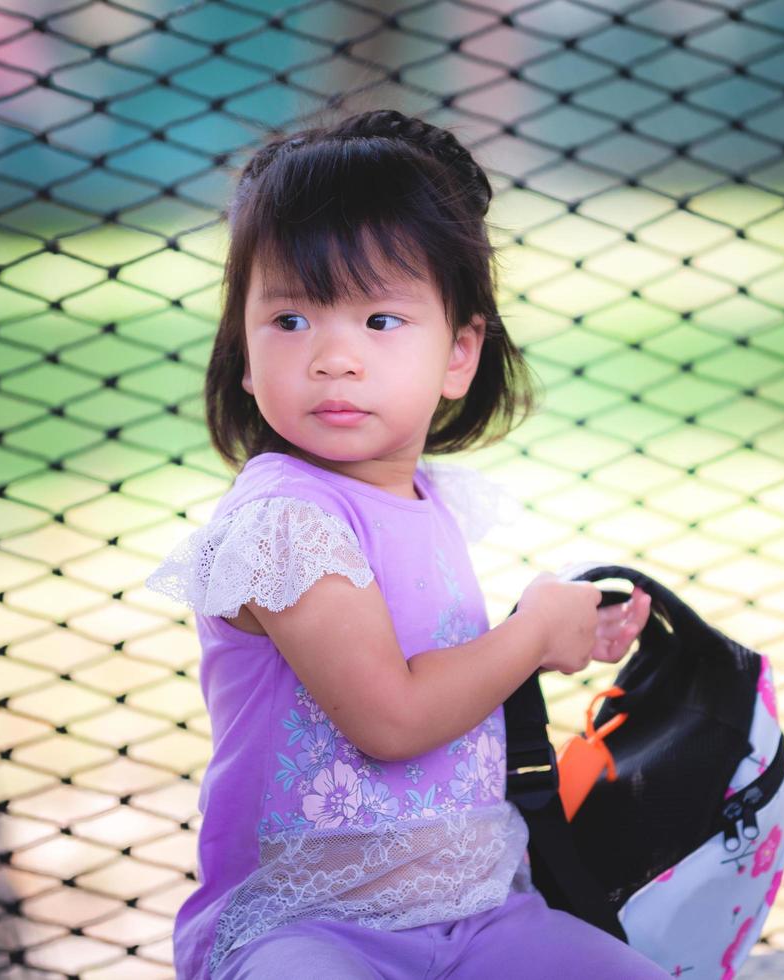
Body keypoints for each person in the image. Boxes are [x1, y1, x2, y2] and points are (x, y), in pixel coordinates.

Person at [145, 107, 665, 980]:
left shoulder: (433, 500)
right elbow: (391, 718)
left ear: (459, 353)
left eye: (380, 321)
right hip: (309, 934)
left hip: (482, 915)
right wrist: (529, 633)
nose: (334, 358)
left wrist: (551, 645)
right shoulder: (284, 524)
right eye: (291, 320)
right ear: (241, 347)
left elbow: (441, 667)